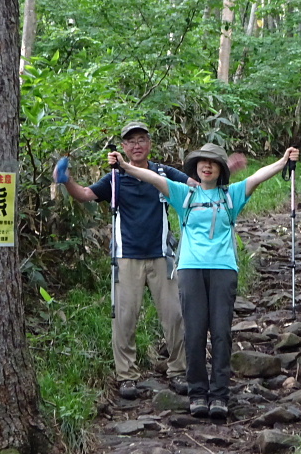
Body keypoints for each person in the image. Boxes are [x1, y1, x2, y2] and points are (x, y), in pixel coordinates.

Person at [53, 122, 245, 400]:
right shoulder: (115, 178)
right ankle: (126, 377)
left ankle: (178, 372)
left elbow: (199, 185)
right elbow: (85, 195)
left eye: (141, 139)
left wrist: (226, 167)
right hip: (126, 257)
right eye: (130, 142)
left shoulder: (165, 174)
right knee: (124, 318)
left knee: (176, 317)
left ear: (149, 143)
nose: (136, 145)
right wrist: (66, 180)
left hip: (162, 256)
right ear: (124, 147)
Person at [108, 142, 300, 419]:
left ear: (220, 169)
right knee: (195, 333)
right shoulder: (183, 194)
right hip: (190, 269)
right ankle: (198, 392)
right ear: (196, 167)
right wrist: (125, 166)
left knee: (221, 333)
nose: (206, 166)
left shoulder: (231, 195)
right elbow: (153, 178)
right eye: (202, 162)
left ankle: (220, 394)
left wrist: (283, 161)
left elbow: (257, 176)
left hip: (223, 269)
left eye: (213, 162)